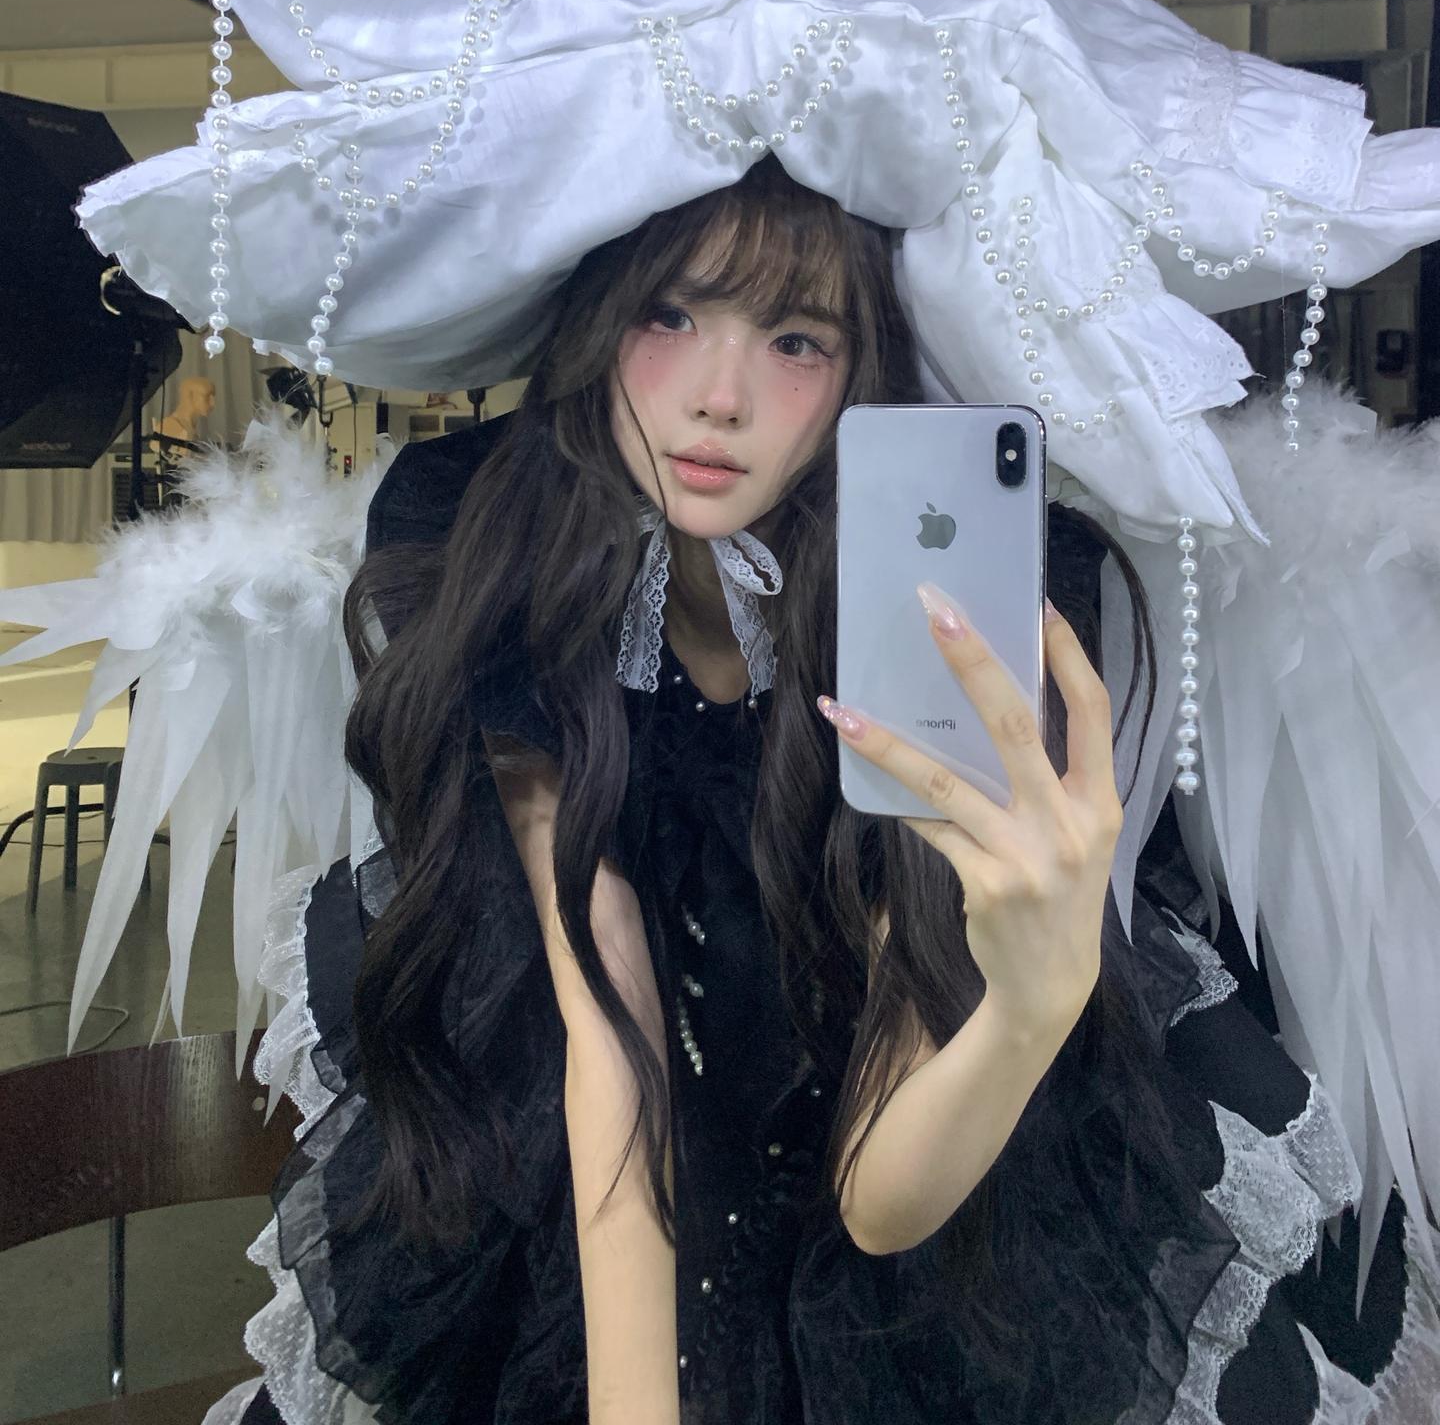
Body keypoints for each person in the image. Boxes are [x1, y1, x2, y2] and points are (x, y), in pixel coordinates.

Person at [210, 152, 1427, 1425]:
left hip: (941, 1193)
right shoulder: (497, 546)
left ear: (863, 368)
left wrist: (1031, 1006)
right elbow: (603, 1020)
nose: (718, 399)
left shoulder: (968, 587)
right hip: (594, 1154)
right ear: (595, 321)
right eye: (668, 315)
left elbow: (882, 1200)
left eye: (796, 339)